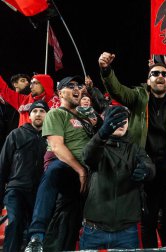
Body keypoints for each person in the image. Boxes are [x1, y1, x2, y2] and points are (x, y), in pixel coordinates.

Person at [98, 52, 166, 248]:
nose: (160, 76)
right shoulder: (137, 97)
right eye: (155, 74)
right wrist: (106, 70)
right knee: (148, 217)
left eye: (164, 74)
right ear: (148, 81)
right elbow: (117, 91)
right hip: (143, 162)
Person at [25, 76, 91, 251]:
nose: (76, 88)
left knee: (70, 222)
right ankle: (36, 236)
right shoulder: (56, 113)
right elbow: (56, 146)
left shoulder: (85, 116)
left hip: (88, 173)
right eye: (70, 86)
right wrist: (81, 171)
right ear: (60, 93)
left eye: (78, 86)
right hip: (67, 169)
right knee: (53, 172)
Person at [80, 106, 156, 249]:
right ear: (106, 121)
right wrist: (102, 134)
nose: (122, 124)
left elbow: (149, 165)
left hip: (127, 231)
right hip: (94, 229)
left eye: (125, 121)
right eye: (117, 120)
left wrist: (146, 171)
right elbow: (88, 157)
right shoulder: (96, 144)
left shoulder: (135, 148)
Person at [0, 100, 49, 252]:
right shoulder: (15, 134)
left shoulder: (52, 137)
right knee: (14, 223)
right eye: (35, 111)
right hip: (17, 189)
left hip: (40, 193)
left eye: (42, 111)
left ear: (47, 115)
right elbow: (2, 166)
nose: (38, 114)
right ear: (29, 115)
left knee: (34, 232)